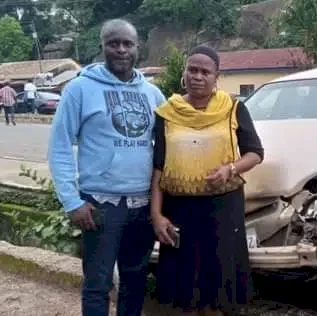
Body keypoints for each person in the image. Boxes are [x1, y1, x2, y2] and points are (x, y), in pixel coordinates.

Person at [47, 18, 166, 316]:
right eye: (114, 43)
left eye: (128, 43)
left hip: (142, 207)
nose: (121, 50)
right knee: (98, 284)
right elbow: (59, 147)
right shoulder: (80, 89)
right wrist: (72, 201)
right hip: (100, 206)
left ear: (138, 47)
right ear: (102, 47)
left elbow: (167, 148)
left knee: (135, 280)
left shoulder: (152, 94)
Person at [151, 45, 264, 315]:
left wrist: (230, 169)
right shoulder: (167, 113)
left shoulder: (233, 108)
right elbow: (157, 168)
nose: (197, 76)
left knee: (219, 284)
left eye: (205, 72)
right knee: (185, 287)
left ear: (217, 77)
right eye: (192, 70)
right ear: (184, 73)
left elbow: (255, 153)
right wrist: (156, 215)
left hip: (222, 209)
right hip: (180, 210)